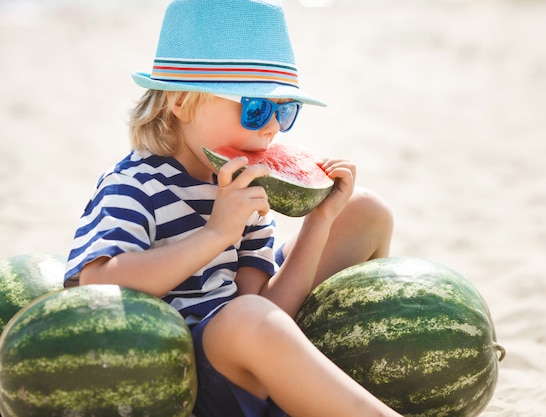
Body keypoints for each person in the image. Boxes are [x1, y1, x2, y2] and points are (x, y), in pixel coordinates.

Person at [64, 0, 395, 416]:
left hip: (249, 346)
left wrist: (320, 221)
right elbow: (96, 284)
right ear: (180, 103)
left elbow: (269, 309)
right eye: (255, 108)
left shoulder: (248, 184)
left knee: (365, 211)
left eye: (285, 111)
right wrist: (215, 234)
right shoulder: (134, 186)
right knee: (244, 318)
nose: (272, 127)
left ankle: (365, 373)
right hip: (183, 377)